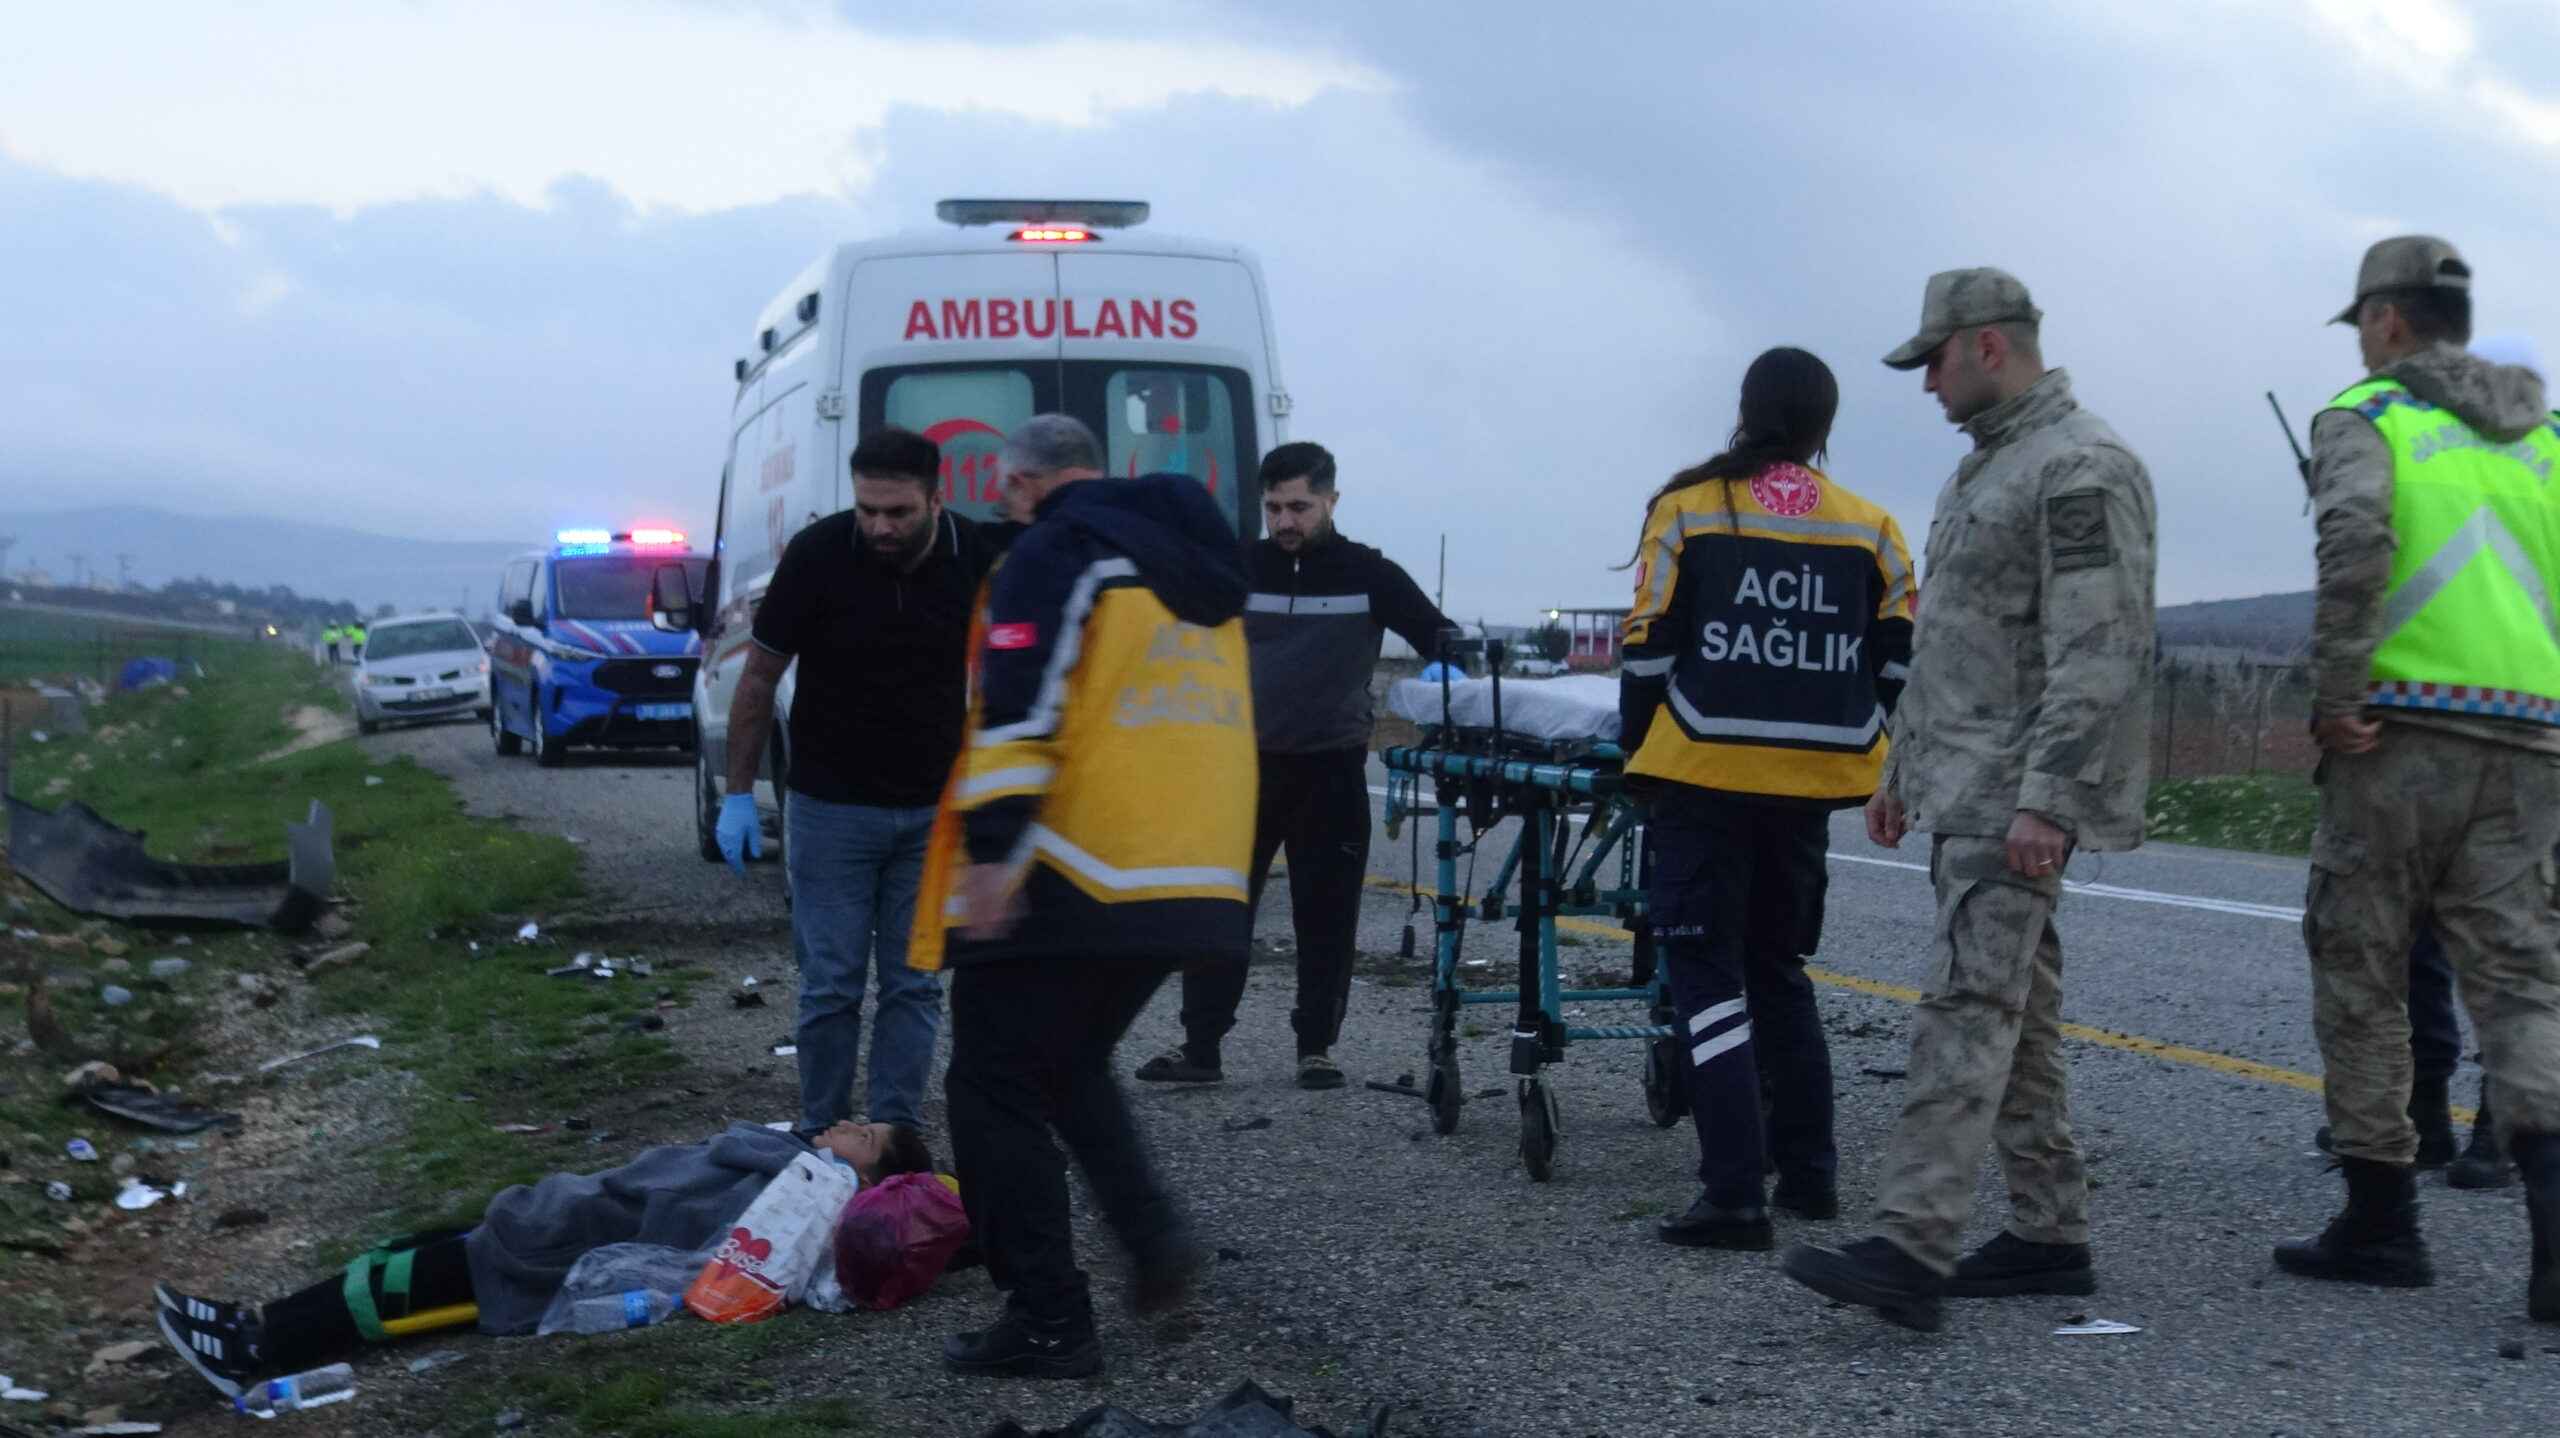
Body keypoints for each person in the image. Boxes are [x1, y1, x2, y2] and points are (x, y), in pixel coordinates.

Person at [1780, 269, 2157, 1332]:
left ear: (1988, 345)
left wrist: (2050, 799)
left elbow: (2099, 648)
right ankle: (2048, 1231)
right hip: (1969, 784)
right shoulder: (1989, 468)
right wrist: (1901, 766)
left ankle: (1912, 1242)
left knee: (1964, 1008)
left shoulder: (2079, 465)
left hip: (2015, 793)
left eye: (1935, 359)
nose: (1926, 382)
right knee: (2015, 1015)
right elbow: (1957, 639)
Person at [914, 414, 1252, 1378]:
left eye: (1006, 493)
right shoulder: (1194, 563)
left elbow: (1020, 700)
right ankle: (1152, 1238)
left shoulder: (1055, 553)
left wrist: (992, 853)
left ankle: (1048, 1318)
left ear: (1022, 484)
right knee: (1067, 1064)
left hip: (1077, 863)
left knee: (990, 1081)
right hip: (1194, 871)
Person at [2268, 236, 2560, 1320]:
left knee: (2361, 965)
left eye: (2362, 323)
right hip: (2529, 740)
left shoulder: (2370, 416)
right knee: (2522, 982)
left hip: (2397, 737)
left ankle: (2381, 1220)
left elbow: (2354, 543)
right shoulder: (2547, 441)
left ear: (2386, 319)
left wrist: (2338, 691)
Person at [1617, 347, 1916, 1250]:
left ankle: (1734, 1194)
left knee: (1707, 977)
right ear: (1826, 428)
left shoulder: (1688, 509)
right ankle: (1811, 1176)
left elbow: (1648, 650)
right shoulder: (1873, 529)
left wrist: (1636, 757)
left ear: (1744, 412)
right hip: (1811, 788)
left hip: (1703, 779)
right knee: (1780, 973)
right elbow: (1897, 670)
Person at [154, 1120, 931, 1397]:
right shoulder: (794, 1168)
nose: (841, 1124)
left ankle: (253, 1351)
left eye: (860, 1135)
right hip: (557, 1215)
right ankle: (248, 1321)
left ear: (864, 1181)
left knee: (396, 1291)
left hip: (552, 1250)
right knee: (401, 1256)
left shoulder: (799, 1197)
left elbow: (687, 1220)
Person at [1135, 442, 1455, 1090]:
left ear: (1332, 500)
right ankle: (1201, 1047)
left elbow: (1440, 638)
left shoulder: (1370, 573)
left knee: (1327, 917)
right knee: (1217, 910)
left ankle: (1316, 1047)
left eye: (1300, 507)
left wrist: (1449, 682)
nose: (1286, 521)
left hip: (1330, 773)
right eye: (1274, 507)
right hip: (1235, 771)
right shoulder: (1235, 566)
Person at [717, 426, 1001, 1133]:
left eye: (898, 513)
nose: (879, 527)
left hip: (933, 811)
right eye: (867, 509)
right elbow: (759, 677)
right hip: (830, 808)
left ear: (936, 501)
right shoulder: (818, 555)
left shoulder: (974, 558)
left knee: (914, 983)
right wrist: (737, 795)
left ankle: (892, 1136)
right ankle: (822, 1133)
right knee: (831, 985)